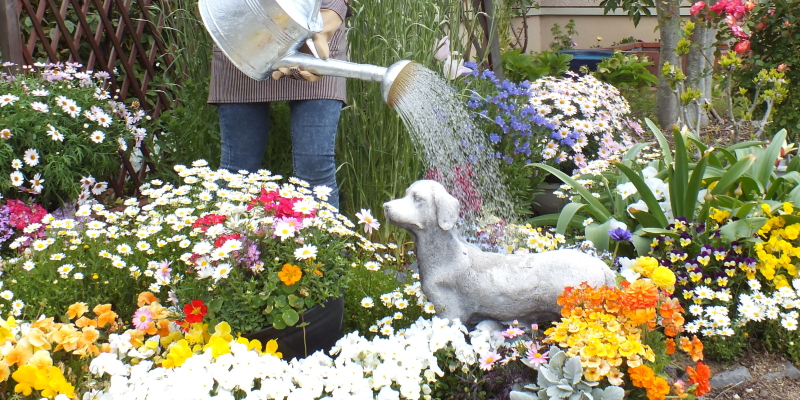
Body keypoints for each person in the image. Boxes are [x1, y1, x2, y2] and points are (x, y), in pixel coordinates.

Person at [208, 0, 350, 209]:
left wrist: (321, 31)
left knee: (315, 166)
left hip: (318, 34)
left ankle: (320, 241)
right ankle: (231, 239)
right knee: (237, 170)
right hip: (244, 37)